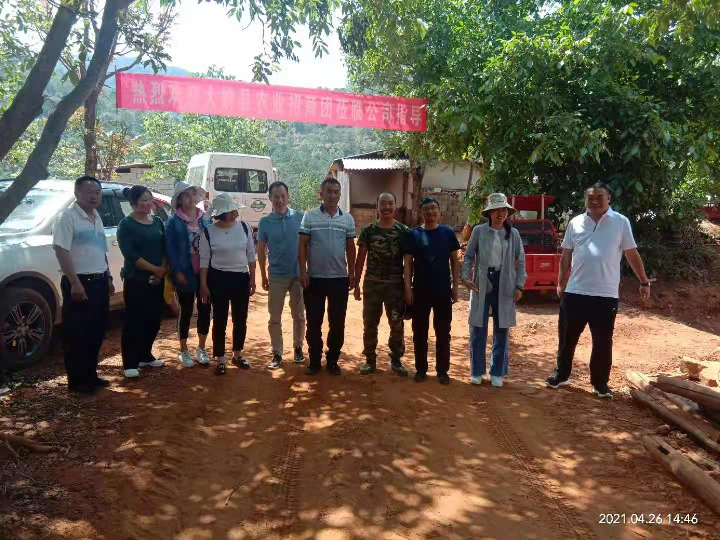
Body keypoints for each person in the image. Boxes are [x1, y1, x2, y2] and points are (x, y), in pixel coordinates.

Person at [546, 182, 651, 398]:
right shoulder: (575, 222)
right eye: (590, 197)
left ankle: (600, 383)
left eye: (599, 197)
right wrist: (561, 282)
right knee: (566, 338)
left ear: (609, 198)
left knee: (602, 341)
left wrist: (644, 281)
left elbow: (631, 253)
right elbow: (566, 254)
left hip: (605, 295)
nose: (594, 201)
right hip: (575, 291)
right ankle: (561, 375)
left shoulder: (620, 222)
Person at [53, 176, 114, 394]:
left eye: (97, 192)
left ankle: (91, 375)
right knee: (77, 333)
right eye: (89, 192)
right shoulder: (67, 217)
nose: (94, 196)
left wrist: (108, 277)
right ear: (77, 193)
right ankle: (77, 382)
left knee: (96, 330)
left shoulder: (96, 216)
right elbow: (61, 251)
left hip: (99, 281)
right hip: (79, 283)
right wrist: (75, 283)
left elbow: (101, 251)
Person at [461, 193, 526, 387]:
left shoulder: (513, 234)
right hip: (482, 281)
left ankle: (497, 371)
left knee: (502, 327)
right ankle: (477, 371)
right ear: (489, 212)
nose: (501, 213)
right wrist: (465, 276)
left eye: (504, 209)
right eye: (497, 209)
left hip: (505, 282)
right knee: (478, 326)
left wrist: (519, 285)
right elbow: (468, 256)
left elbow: (520, 260)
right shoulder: (479, 231)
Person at [298, 177, 356, 376]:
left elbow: (350, 247)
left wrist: (352, 274)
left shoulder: (347, 219)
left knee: (337, 323)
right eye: (329, 192)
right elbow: (302, 245)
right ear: (321, 194)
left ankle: (332, 360)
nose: (332, 196)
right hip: (314, 279)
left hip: (339, 279)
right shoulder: (309, 217)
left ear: (340, 195)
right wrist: (303, 271)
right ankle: (314, 361)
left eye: (336, 192)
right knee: (314, 322)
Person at [404, 197, 461, 384]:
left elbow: (454, 262)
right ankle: (421, 369)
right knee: (419, 331)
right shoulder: (414, 234)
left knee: (443, 332)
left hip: (443, 291)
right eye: (426, 208)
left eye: (433, 208)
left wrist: (455, 287)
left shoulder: (448, 233)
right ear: (421, 212)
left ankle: (442, 371)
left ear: (439, 211)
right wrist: (407, 288)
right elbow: (408, 263)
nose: (430, 211)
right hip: (420, 290)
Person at [199, 193, 257, 376]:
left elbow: (251, 254)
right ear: (223, 213)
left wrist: (252, 278)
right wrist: (203, 284)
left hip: (241, 277)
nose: (236, 212)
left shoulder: (244, 228)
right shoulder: (208, 232)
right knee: (220, 319)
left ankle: (237, 354)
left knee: (240, 318)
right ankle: (220, 358)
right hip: (218, 278)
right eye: (232, 210)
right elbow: (204, 261)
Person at [354, 192, 409, 376]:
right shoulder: (368, 231)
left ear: (395, 206)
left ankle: (396, 360)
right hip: (372, 286)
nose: (386, 207)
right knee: (370, 324)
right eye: (383, 203)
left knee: (397, 324)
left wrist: (408, 287)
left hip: (395, 287)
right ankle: (370, 360)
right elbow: (360, 259)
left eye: (390, 203)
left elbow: (408, 261)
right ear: (376, 206)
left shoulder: (403, 231)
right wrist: (356, 284)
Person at [117, 185, 167, 378]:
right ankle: (130, 362)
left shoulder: (157, 222)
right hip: (136, 280)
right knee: (134, 320)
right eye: (144, 200)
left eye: (150, 200)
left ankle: (145, 355)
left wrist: (161, 270)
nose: (148, 204)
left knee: (153, 319)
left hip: (157, 279)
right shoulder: (126, 225)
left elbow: (164, 248)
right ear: (133, 203)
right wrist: (154, 269)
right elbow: (130, 255)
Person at [257, 181, 306, 370]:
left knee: (299, 315)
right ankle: (277, 353)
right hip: (276, 276)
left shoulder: (300, 218)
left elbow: (307, 245)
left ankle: (298, 348)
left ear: (288, 196)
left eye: (283, 196)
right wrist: (263, 275)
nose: (280, 200)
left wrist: (306, 271)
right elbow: (261, 251)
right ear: (270, 198)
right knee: (275, 317)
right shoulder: (265, 222)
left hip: (298, 275)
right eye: (276, 196)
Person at [165, 181, 212, 368]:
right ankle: (183, 350)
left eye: (192, 194)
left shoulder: (205, 219)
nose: (190, 198)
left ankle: (201, 348)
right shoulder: (173, 222)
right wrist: (177, 271)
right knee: (186, 311)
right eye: (185, 195)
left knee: (205, 309)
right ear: (179, 201)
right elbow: (170, 249)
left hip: (204, 273)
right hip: (184, 273)